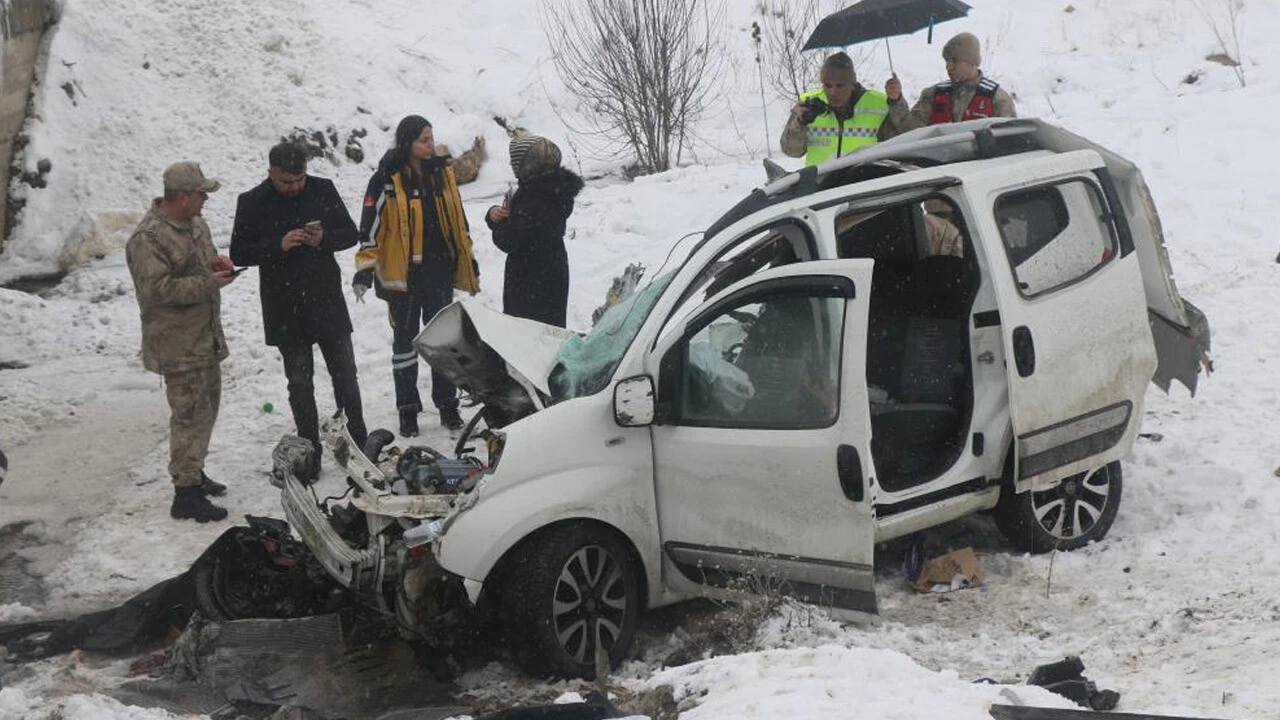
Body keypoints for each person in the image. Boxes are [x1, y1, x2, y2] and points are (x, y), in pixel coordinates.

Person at [230, 142, 368, 473]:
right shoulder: (252, 202)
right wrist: (276, 246)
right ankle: (310, 451)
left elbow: (350, 233)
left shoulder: (322, 189)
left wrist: (323, 239)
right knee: (300, 382)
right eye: (286, 182)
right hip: (284, 306)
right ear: (271, 173)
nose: (294, 187)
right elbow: (239, 252)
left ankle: (358, 444)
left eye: (300, 180)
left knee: (345, 375)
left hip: (326, 300)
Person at [353, 115, 480, 436]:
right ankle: (407, 410)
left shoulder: (443, 173)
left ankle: (447, 405)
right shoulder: (387, 178)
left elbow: (459, 220)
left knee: (442, 341)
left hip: (438, 272)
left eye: (431, 137)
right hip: (402, 276)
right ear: (408, 143)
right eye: (424, 139)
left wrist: (468, 259)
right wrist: (365, 270)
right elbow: (370, 226)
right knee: (405, 345)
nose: (430, 143)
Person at [125, 162, 235, 522]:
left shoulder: (195, 224)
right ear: (183, 196)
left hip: (204, 338)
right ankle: (185, 495)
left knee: (206, 410)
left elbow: (199, 266)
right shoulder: (149, 239)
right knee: (188, 416)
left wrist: (218, 264)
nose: (206, 199)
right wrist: (208, 283)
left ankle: (194, 472)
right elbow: (156, 290)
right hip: (178, 345)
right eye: (201, 193)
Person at [485, 135, 584, 327]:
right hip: (553, 268)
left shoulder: (534, 196)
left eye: (515, 160)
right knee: (549, 331)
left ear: (528, 164)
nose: (511, 164)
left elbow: (509, 239)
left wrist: (495, 221)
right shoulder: (556, 188)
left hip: (529, 277)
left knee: (526, 336)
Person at [881, 32, 1016, 139]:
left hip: (980, 171)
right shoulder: (934, 94)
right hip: (936, 168)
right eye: (946, 61)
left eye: (954, 61)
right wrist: (896, 100)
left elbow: (1011, 142)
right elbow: (910, 130)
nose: (948, 66)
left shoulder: (997, 99)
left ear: (972, 62)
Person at [780, 52, 892, 167]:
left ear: (852, 84)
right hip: (819, 182)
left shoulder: (878, 106)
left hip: (862, 182)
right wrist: (799, 124)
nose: (833, 92)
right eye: (827, 86)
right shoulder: (808, 106)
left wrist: (897, 101)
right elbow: (791, 151)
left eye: (839, 85)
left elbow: (895, 152)